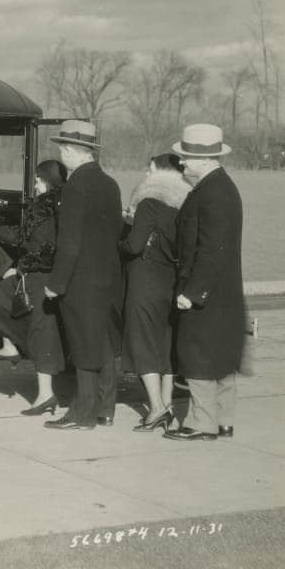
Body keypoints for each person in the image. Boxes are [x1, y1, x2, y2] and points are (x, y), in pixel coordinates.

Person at [164, 123, 248, 441]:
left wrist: (192, 292)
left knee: (197, 353)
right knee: (221, 354)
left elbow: (211, 249)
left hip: (205, 292)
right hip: (221, 291)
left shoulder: (211, 193)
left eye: (185, 157)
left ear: (203, 159)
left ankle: (202, 423)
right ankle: (223, 420)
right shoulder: (220, 187)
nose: (182, 162)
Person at [41, 120, 125, 431]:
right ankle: (106, 409)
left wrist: (56, 284)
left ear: (70, 150)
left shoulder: (76, 185)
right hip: (108, 277)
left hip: (81, 280)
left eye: (62, 148)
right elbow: (115, 231)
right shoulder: (110, 184)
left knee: (83, 343)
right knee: (103, 343)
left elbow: (69, 241)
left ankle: (82, 414)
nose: (61, 153)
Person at [0, 158, 69, 415]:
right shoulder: (44, 208)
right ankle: (10, 347)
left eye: (38, 179)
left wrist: (25, 263)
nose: (35, 184)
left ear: (48, 181)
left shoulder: (53, 209)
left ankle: (46, 395)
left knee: (42, 334)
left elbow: (47, 247)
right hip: (31, 275)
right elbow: (24, 238)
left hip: (43, 278)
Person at [120, 153, 192, 431]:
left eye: (148, 168)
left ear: (157, 170)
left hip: (144, 280)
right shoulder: (184, 203)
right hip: (171, 281)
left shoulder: (149, 201)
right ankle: (168, 403)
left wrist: (119, 242)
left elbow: (135, 245)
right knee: (165, 343)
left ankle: (156, 408)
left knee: (140, 340)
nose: (146, 173)